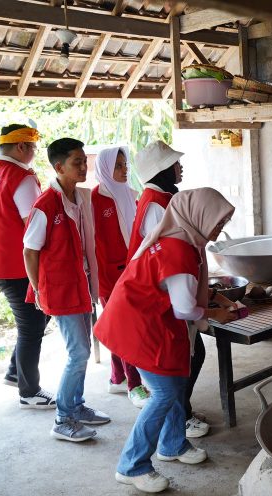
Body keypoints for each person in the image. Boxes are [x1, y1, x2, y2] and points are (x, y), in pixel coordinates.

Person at [94, 188, 238, 493]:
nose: (220, 227)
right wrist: (214, 314)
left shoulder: (183, 240)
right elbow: (185, 308)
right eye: (218, 220)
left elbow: (180, 292)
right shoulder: (179, 251)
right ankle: (131, 465)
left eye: (223, 220)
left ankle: (172, 445)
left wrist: (212, 297)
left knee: (174, 382)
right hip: (138, 324)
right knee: (163, 392)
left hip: (146, 319)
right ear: (198, 216)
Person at [23, 138, 111, 442]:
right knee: (79, 353)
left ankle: (76, 406)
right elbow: (29, 251)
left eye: (85, 161)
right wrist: (38, 289)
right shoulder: (46, 205)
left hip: (82, 285)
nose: (84, 167)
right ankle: (62, 418)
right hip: (61, 291)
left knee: (81, 351)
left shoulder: (80, 199)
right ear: (59, 167)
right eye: (77, 162)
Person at [0, 124, 55, 409]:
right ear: (21, 147)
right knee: (32, 325)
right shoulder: (21, 177)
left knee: (38, 318)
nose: (33, 154)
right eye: (33, 148)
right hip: (18, 265)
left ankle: (14, 371)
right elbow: (35, 223)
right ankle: (28, 391)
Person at [129, 140, 210, 438]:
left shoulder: (163, 196)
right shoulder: (154, 203)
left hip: (166, 290)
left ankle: (180, 415)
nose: (180, 166)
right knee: (185, 357)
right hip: (158, 293)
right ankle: (178, 420)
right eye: (175, 162)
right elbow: (165, 253)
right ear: (163, 169)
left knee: (191, 354)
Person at [91, 146, 149, 408]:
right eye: (118, 166)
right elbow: (92, 244)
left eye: (125, 165)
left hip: (131, 269)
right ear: (105, 169)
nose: (125, 170)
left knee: (120, 325)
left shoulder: (129, 194)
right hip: (109, 276)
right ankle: (134, 384)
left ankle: (117, 378)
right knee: (126, 328)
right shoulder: (94, 200)